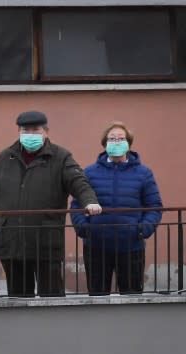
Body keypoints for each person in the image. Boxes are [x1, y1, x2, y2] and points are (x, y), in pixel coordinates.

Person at [0, 110, 102, 297]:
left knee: (51, 298)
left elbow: (79, 183)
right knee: (18, 300)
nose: (30, 135)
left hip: (46, 242)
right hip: (11, 242)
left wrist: (90, 202)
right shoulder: (6, 157)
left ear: (46, 132)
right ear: (19, 132)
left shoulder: (61, 157)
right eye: (25, 130)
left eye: (35, 130)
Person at [71, 121, 162, 295]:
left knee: (132, 295)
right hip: (96, 245)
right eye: (112, 139)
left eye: (121, 139)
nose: (116, 142)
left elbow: (154, 206)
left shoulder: (144, 173)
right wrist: (84, 228)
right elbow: (77, 204)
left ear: (129, 143)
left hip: (131, 245)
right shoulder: (89, 172)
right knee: (97, 295)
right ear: (104, 144)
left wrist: (143, 229)